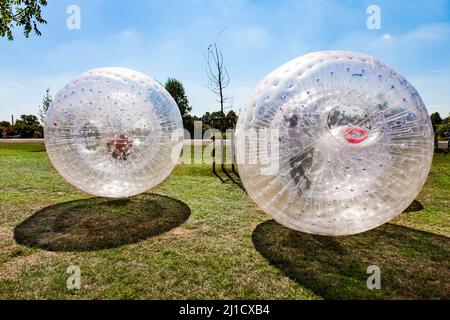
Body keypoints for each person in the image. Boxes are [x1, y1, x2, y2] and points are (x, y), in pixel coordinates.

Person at [285, 114, 312, 192]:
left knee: (293, 172)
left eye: (291, 120)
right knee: (299, 170)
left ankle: (298, 188)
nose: (290, 122)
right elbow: (287, 121)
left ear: (293, 122)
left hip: (297, 152)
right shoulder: (295, 127)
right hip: (298, 152)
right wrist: (285, 116)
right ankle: (307, 182)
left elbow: (293, 140)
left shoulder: (293, 129)